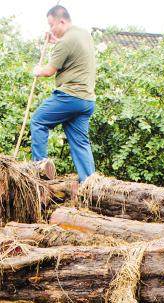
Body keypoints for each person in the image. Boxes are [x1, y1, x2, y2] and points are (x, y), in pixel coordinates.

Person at [30, 5, 96, 183]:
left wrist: (37, 70)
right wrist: (55, 40)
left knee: (38, 121)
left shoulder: (66, 41)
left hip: (70, 96)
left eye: (52, 25)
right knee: (80, 143)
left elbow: (49, 70)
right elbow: (71, 51)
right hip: (87, 100)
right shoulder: (83, 34)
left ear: (62, 20)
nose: (51, 29)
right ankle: (90, 184)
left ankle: (40, 172)